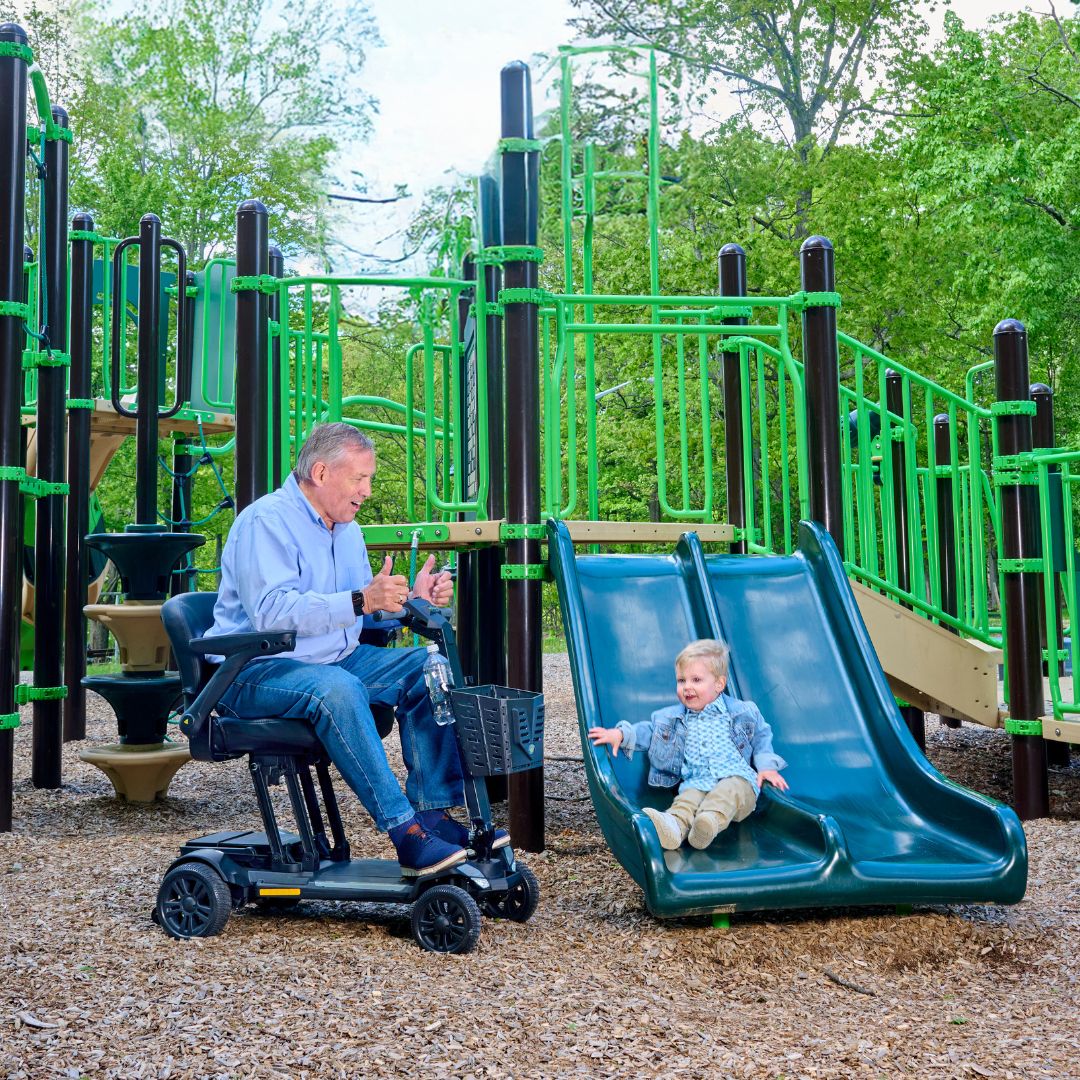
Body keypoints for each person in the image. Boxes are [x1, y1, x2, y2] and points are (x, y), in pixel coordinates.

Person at [205, 422, 504, 877]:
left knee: (430, 666)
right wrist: (363, 599)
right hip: (255, 669)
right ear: (322, 472)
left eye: (370, 480)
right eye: (359, 478)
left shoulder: (347, 530)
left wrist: (408, 601)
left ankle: (433, 813)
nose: (366, 490)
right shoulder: (265, 522)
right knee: (338, 689)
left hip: (333, 658)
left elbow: (360, 611)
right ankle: (404, 831)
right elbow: (271, 613)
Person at [588, 639, 788, 850]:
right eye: (681, 680)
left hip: (739, 783)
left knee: (730, 790)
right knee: (686, 801)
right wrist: (620, 734)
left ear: (719, 684)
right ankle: (674, 827)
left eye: (696, 680)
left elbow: (761, 734)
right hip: (697, 782)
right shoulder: (672, 718)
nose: (687, 687)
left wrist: (766, 767)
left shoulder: (740, 712)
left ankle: (708, 822)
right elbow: (649, 731)